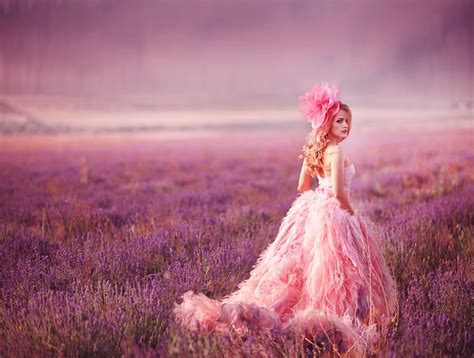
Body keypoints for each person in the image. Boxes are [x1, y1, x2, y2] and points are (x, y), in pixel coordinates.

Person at [173, 82, 398, 356]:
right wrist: (351, 211)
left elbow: (303, 186)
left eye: (348, 121)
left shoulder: (314, 149)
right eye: (340, 121)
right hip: (334, 212)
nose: (346, 126)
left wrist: (320, 194)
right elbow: (339, 192)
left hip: (314, 208)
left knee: (300, 267)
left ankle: (274, 316)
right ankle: (330, 324)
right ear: (327, 122)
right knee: (338, 274)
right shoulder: (336, 152)